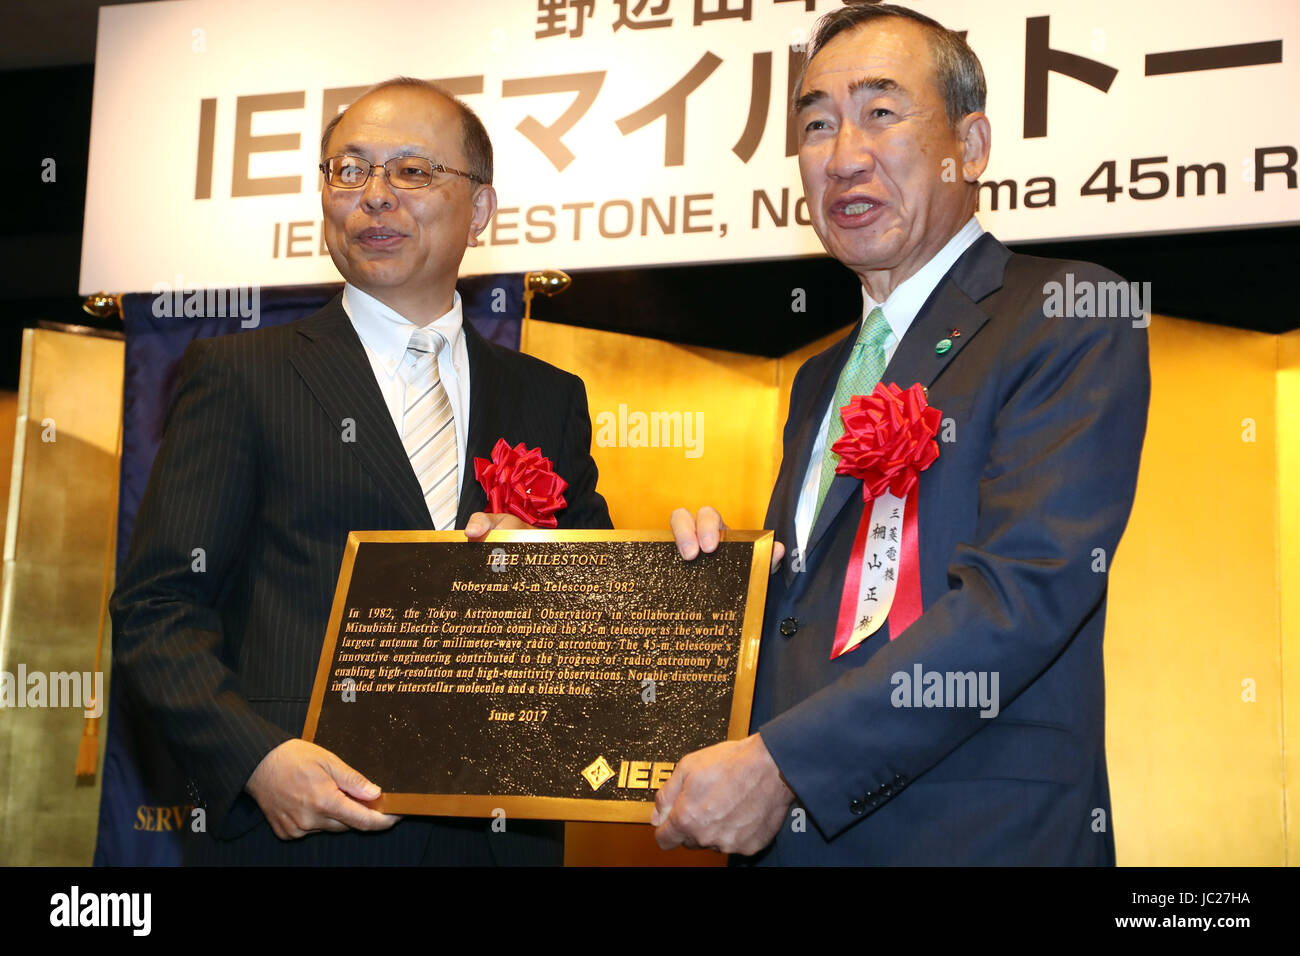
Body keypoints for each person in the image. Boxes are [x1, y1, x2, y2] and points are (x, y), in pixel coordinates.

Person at [658, 3, 1149, 864]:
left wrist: (786, 764)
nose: (844, 155)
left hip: (971, 835)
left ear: (974, 144)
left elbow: (1022, 598)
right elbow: (812, 624)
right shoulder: (821, 376)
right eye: (816, 123)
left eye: (881, 112)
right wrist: (709, 588)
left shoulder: (1067, 311)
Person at [110, 77, 611, 865]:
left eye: (412, 171)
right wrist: (256, 761)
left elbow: (598, 614)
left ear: (480, 210)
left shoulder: (547, 397)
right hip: (304, 835)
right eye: (350, 171)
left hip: (501, 835)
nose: (375, 198)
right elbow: (156, 608)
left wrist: (554, 573)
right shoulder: (241, 374)